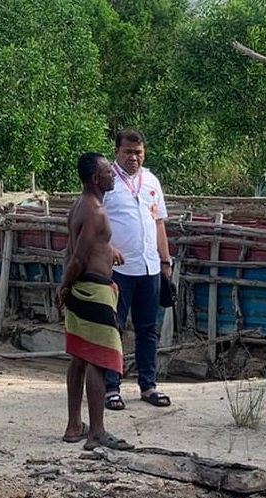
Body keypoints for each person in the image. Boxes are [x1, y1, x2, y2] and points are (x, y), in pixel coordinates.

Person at [56, 153, 134, 451]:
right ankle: (97, 431)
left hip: (79, 288)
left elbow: (71, 250)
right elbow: (79, 257)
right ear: (95, 179)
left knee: (78, 356)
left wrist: (64, 285)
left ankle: (74, 424)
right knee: (99, 359)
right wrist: (65, 283)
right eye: (107, 172)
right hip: (94, 289)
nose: (112, 175)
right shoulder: (96, 211)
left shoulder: (78, 205)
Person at [102, 129, 172, 410]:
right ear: (117, 151)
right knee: (113, 328)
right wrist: (107, 249)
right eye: (128, 151)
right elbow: (93, 222)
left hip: (149, 267)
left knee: (148, 328)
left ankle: (148, 385)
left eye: (139, 152)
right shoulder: (106, 182)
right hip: (118, 269)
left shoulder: (151, 181)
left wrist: (165, 261)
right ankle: (111, 387)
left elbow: (158, 223)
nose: (134, 157)